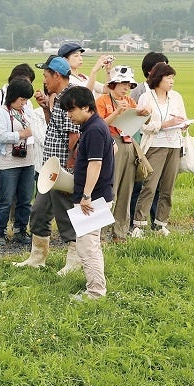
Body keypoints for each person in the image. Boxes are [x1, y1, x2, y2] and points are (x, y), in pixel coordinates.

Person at [14, 56, 80, 271]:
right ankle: (37, 258)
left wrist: (70, 169)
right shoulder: (57, 98)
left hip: (61, 171)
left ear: (57, 76)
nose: (44, 80)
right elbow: (56, 128)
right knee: (40, 211)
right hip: (48, 170)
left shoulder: (69, 99)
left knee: (65, 214)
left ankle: (75, 260)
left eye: (45, 75)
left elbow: (73, 136)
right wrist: (45, 110)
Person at [59, 85, 114, 301]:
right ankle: (96, 288)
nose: (69, 115)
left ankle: (95, 292)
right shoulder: (96, 127)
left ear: (85, 107)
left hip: (93, 198)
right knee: (90, 243)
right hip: (98, 195)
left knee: (87, 245)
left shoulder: (94, 130)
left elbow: (95, 164)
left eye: (71, 110)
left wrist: (86, 196)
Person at [133, 61, 189, 236]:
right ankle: (138, 225)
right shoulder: (146, 98)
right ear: (158, 78)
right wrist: (164, 124)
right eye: (168, 77)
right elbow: (141, 125)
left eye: (173, 77)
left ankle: (160, 223)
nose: (171, 81)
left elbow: (183, 117)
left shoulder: (176, 97)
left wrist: (183, 124)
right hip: (155, 146)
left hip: (175, 144)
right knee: (149, 186)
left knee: (167, 187)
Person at [97, 65, 149, 242]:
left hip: (128, 143)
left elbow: (136, 121)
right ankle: (101, 233)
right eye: (123, 83)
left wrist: (143, 114)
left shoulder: (130, 101)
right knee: (109, 190)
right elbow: (100, 125)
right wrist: (118, 112)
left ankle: (120, 232)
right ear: (113, 84)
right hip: (111, 144)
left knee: (126, 190)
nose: (126, 88)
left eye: (129, 84)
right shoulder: (102, 100)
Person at [0, 63, 35, 236]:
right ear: (13, 96)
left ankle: (20, 229)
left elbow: (36, 130)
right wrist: (22, 134)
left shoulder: (27, 111)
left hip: (28, 159)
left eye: (26, 100)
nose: (24, 103)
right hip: (7, 160)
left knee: (25, 198)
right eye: (22, 99)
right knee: (5, 198)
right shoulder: (1, 112)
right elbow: (1, 136)